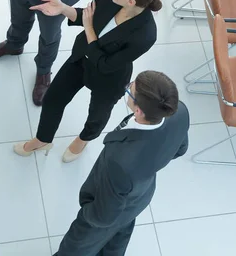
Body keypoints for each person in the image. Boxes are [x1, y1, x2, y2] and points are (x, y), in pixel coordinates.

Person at [14, 0, 160, 162]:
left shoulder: (146, 34)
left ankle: (83, 140)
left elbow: (105, 64)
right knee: (53, 98)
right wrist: (64, 9)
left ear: (130, 1)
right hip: (82, 57)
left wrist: (89, 30)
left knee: (96, 118)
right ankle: (43, 139)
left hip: (109, 77)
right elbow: (89, 15)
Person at [55, 71, 190, 256]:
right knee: (117, 241)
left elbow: (103, 217)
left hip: (106, 210)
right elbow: (181, 149)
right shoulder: (180, 112)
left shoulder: (120, 162)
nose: (128, 87)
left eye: (130, 89)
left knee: (74, 249)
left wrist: (87, 210)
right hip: (139, 197)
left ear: (139, 110)